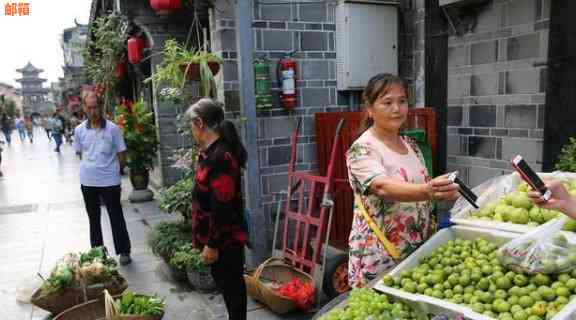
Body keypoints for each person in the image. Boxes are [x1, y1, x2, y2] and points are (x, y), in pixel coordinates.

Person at [345, 73, 460, 288]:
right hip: (380, 255)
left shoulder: (411, 145)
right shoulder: (362, 149)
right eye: (387, 102)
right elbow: (381, 186)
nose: (396, 109)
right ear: (370, 109)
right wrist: (428, 190)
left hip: (417, 251)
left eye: (402, 101)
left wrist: (442, 189)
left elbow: (419, 187)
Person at [186, 98, 248, 320]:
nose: (191, 130)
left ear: (200, 123)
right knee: (230, 290)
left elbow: (222, 206)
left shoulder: (221, 156)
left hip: (225, 241)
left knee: (233, 293)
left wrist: (212, 244)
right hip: (220, 239)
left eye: (192, 125)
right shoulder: (210, 152)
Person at [74, 91, 132, 265]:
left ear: (101, 107)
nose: (93, 111)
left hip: (109, 181)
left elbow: (122, 154)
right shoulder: (78, 130)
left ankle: (124, 251)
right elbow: (79, 152)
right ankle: (98, 254)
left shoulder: (113, 129)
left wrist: (116, 171)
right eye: (89, 108)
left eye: (96, 107)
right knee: (94, 218)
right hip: (88, 181)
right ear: (84, 108)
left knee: (116, 216)